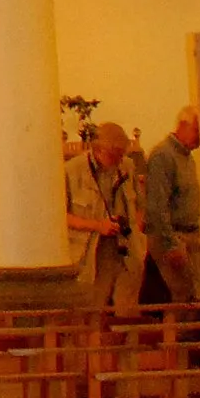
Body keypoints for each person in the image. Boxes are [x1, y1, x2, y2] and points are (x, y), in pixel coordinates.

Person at [64, 122, 137, 307]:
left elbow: (140, 206)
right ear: (99, 150)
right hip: (89, 254)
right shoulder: (72, 171)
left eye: (122, 155)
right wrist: (98, 226)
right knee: (92, 308)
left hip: (123, 251)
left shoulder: (127, 167)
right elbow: (62, 218)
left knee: (126, 309)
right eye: (115, 155)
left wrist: (137, 232)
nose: (119, 161)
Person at [142, 107, 200, 304]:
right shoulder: (163, 156)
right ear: (183, 126)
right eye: (197, 130)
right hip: (173, 238)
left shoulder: (187, 157)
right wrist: (171, 245)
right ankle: (178, 335)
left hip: (189, 236)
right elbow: (157, 206)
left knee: (197, 295)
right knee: (181, 297)